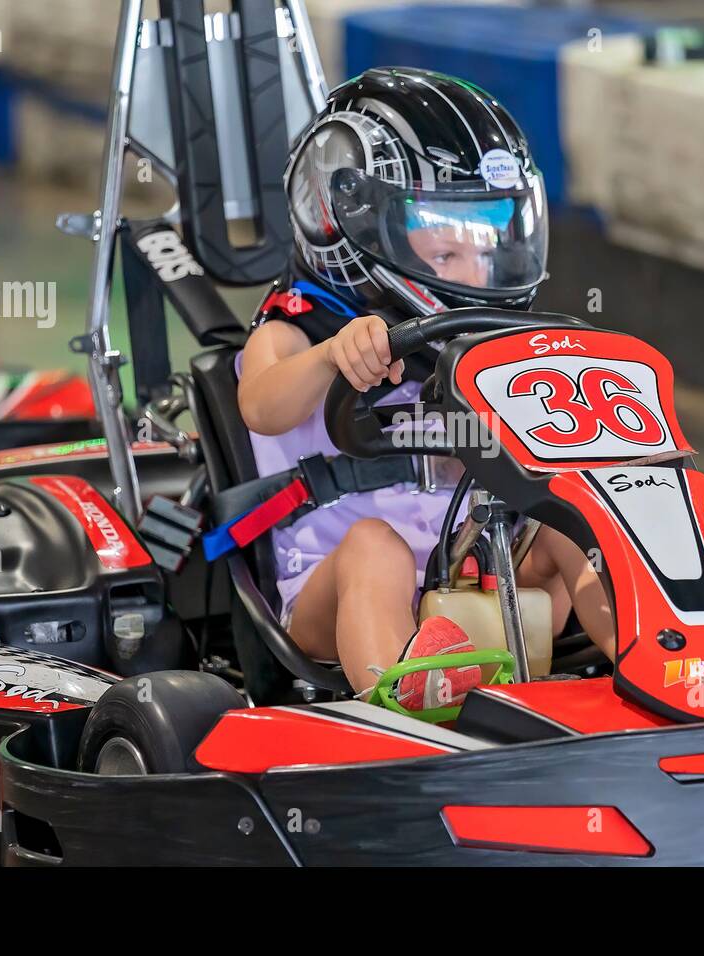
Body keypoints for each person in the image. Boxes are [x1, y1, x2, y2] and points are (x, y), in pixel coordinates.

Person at [237, 67, 614, 711]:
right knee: (373, 547)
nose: (472, 272)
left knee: (571, 522)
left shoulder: (486, 342)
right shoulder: (299, 326)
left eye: (483, 253)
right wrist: (333, 355)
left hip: (476, 572)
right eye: (446, 256)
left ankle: (652, 654)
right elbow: (263, 404)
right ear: (350, 226)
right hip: (334, 600)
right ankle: (407, 703)